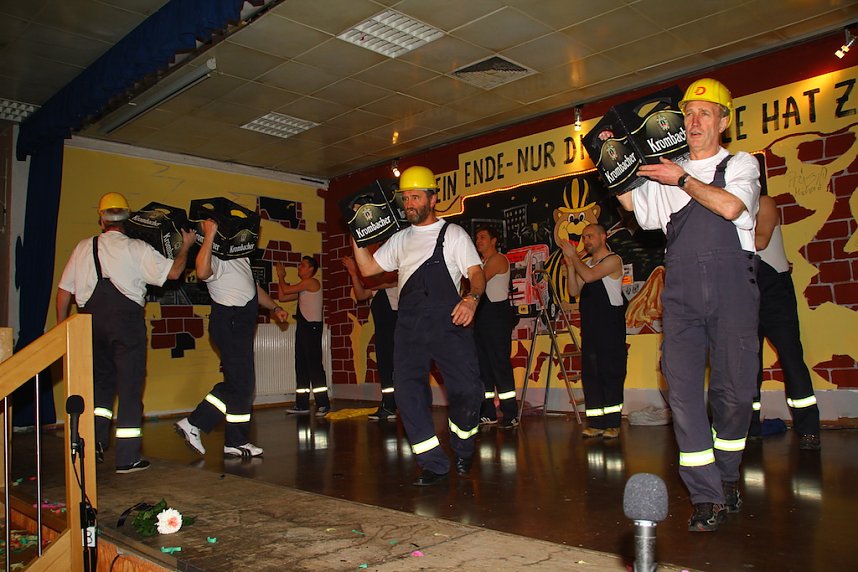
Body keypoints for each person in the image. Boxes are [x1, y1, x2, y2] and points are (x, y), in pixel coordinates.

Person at [617, 78, 761, 532]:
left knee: (734, 394)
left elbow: (732, 208)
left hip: (733, 289)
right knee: (680, 392)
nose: (694, 121)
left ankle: (727, 473)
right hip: (680, 294)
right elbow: (636, 208)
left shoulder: (740, 164)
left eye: (705, 113)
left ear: (723, 121)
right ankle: (705, 494)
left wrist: (681, 178)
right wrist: (614, 165)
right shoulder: (667, 170)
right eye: (689, 114)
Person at [351, 165, 485, 486]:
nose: (409, 203)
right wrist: (356, 231)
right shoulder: (400, 239)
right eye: (405, 198)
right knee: (408, 394)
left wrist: (471, 299)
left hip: (449, 323)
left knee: (468, 390)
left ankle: (463, 444)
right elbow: (368, 269)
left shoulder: (452, 234)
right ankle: (432, 463)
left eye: (415, 197)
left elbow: (476, 273)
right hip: (409, 326)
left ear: (433, 199)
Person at [56, 192, 195, 473]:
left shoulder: (84, 247)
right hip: (126, 323)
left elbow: (63, 292)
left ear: (101, 219)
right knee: (130, 387)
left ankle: (93, 444)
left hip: (89, 323)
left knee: (99, 386)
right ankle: (127, 458)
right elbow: (173, 273)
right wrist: (186, 247)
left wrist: (62, 329)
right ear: (128, 218)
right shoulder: (136, 248)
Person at [175, 219, 288, 458]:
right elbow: (202, 272)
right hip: (230, 322)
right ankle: (198, 424)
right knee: (241, 384)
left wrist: (275, 307)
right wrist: (209, 235)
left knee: (240, 385)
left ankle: (231, 440)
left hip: (241, 325)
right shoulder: (216, 256)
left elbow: (253, 289)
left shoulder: (240, 257)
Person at [749, 194, 821, 450]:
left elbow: (760, 240)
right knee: (748, 364)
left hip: (774, 291)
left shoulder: (763, 202)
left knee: (791, 358)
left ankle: (809, 430)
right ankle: (750, 428)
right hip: (744, 290)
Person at [559, 224, 627, 440]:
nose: (586, 240)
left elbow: (589, 277)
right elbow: (573, 290)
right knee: (591, 375)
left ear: (603, 237)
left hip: (610, 326)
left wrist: (574, 258)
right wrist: (571, 266)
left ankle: (613, 423)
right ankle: (596, 423)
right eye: (583, 237)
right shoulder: (586, 263)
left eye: (590, 236)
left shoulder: (613, 260)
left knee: (610, 372)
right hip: (590, 327)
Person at [342, 255, 399, 421]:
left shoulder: (396, 276)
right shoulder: (375, 285)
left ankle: (400, 404)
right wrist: (354, 274)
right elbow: (360, 295)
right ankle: (389, 405)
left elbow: (384, 283)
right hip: (381, 330)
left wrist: (361, 272)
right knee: (384, 366)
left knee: (397, 366)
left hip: (396, 327)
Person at [473, 227, 518, 429]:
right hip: (482, 317)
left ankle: (511, 414)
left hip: (497, 316)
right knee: (483, 367)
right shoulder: (480, 263)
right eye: (477, 238)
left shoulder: (498, 259)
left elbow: (480, 281)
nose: (478, 240)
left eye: (483, 237)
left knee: (500, 364)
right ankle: (488, 412)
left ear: (494, 240)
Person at [278, 256, 330, 417]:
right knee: (301, 366)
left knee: (314, 366)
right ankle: (302, 404)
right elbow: (282, 296)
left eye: (303, 265)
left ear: (311, 269)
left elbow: (286, 289)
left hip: (312, 328)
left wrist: (281, 275)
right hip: (303, 328)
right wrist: (281, 279)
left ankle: (323, 404)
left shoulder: (311, 282)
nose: (299, 267)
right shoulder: (303, 289)